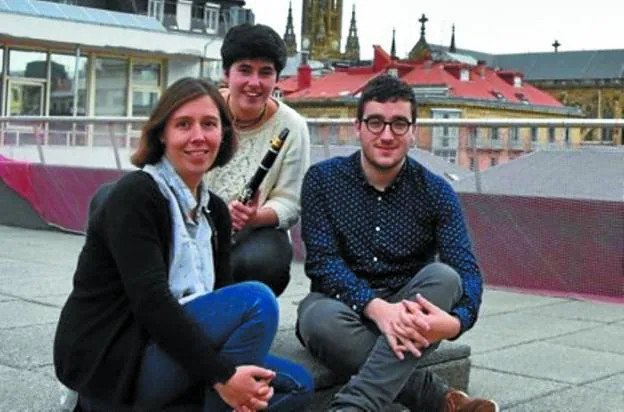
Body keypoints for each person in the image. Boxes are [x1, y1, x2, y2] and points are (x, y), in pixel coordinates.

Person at [54, 77, 313, 411]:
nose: (198, 137)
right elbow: (152, 304)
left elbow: (218, 299)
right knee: (257, 302)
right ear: (162, 133)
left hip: (174, 349)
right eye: (183, 125)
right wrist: (223, 378)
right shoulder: (136, 195)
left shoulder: (215, 210)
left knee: (298, 387)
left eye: (209, 124)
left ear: (223, 134)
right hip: (118, 360)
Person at [296, 74, 498, 412]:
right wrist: (377, 309)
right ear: (357, 127)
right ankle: (439, 399)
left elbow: (466, 270)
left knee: (445, 278)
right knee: (320, 321)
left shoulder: (436, 192)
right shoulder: (322, 179)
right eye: (375, 123)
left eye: (399, 124)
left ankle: (353, 406)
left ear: (414, 132)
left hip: (410, 307)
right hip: (339, 305)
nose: (387, 135)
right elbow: (322, 262)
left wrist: (456, 322)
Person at [204, 23, 311, 297]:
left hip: (247, 234)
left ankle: (229, 315)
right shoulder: (202, 109)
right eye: (244, 70)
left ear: (277, 78)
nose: (255, 83)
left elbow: (290, 202)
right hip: (194, 223)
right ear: (226, 73)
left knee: (265, 260)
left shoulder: (293, 126)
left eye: (266, 72)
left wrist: (253, 216)